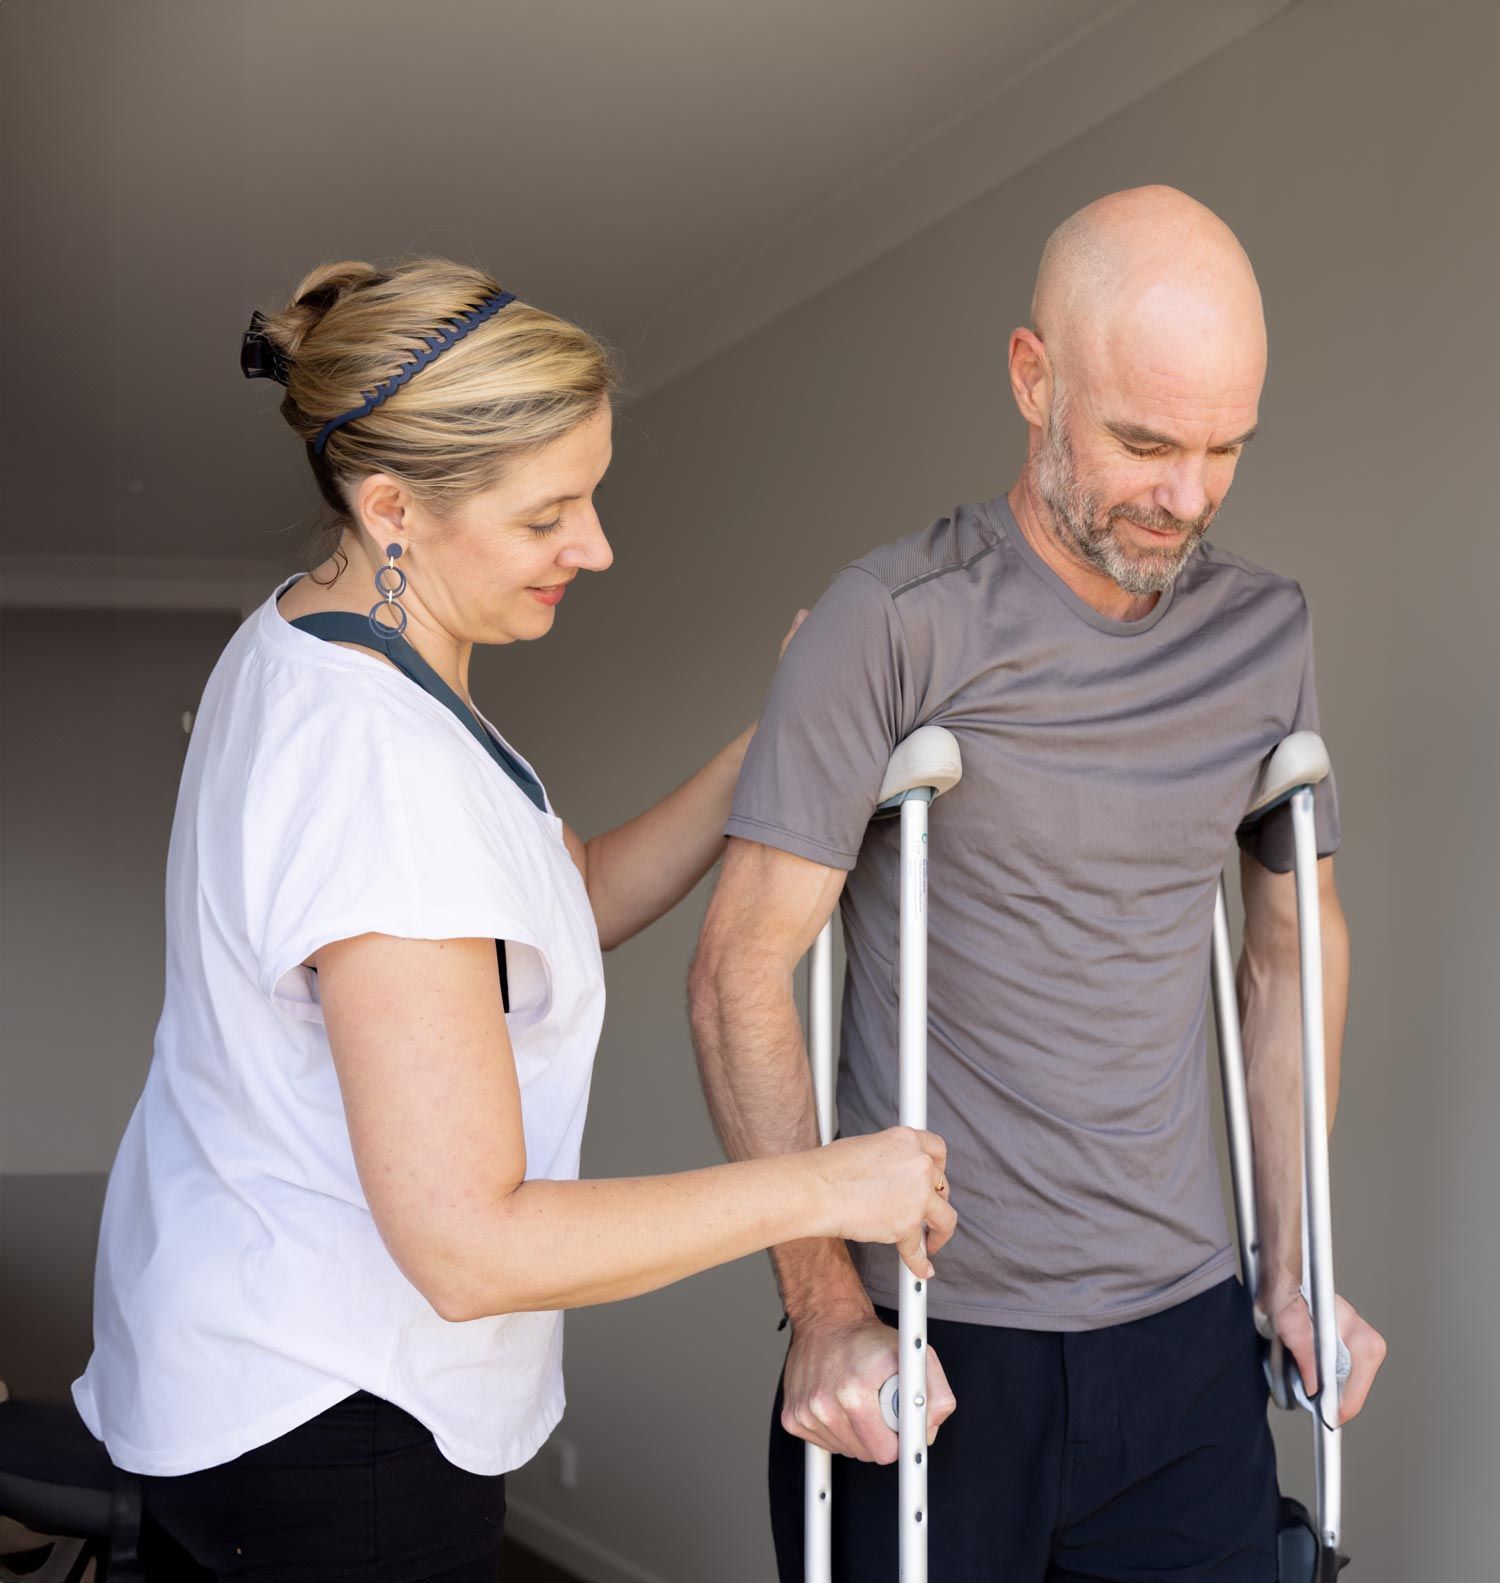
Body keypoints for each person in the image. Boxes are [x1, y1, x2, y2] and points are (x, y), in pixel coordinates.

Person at [71, 257, 957, 1583]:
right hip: (328, 1428)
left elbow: (562, 901)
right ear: (394, 512)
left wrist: (776, 740)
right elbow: (468, 1243)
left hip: (241, 1370)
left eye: (591, 496)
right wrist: (830, 1184)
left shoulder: (330, 653)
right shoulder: (377, 765)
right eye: (550, 514)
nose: (594, 545)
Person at [690, 187, 1388, 1581]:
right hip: (938, 1345)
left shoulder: (1264, 634)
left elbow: (1285, 947)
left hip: (1187, 1346)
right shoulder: (888, 623)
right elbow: (740, 971)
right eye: (1143, 442)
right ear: (1034, 378)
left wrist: (1292, 1262)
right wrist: (824, 1304)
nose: (1185, 495)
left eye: (1223, 450)